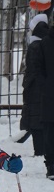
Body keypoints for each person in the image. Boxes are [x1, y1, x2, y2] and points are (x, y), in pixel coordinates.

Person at [21, 13, 48, 157]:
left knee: (35, 120)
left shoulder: (34, 46)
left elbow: (32, 69)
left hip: (35, 88)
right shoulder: (47, 43)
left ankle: (39, 152)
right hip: (46, 88)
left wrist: (26, 84)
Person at [41, 20, 54, 180]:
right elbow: (38, 67)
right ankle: (51, 165)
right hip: (50, 94)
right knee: (50, 131)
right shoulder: (46, 42)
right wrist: (46, 85)